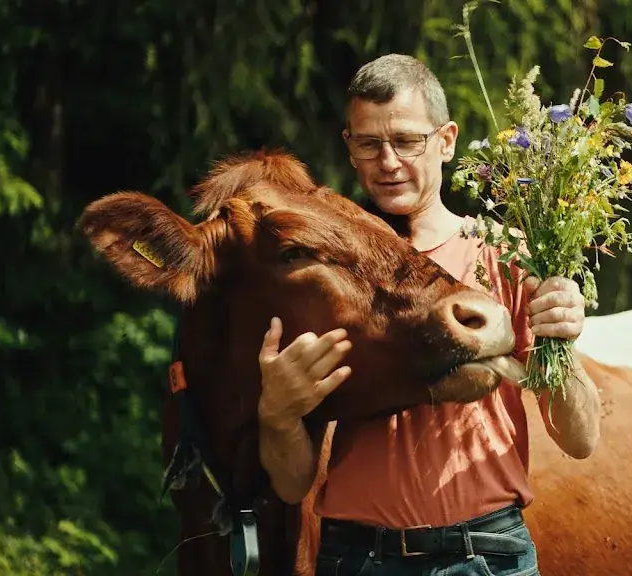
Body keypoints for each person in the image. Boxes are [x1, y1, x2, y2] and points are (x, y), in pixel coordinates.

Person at [256, 53, 602, 575]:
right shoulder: (321, 269)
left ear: (446, 140)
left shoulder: (508, 257)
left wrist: (562, 344)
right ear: (348, 147)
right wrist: (277, 414)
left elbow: (580, 440)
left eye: (407, 141)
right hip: (355, 557)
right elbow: (291, 484)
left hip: (484, 553)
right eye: (369, 144)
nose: (389, 162)